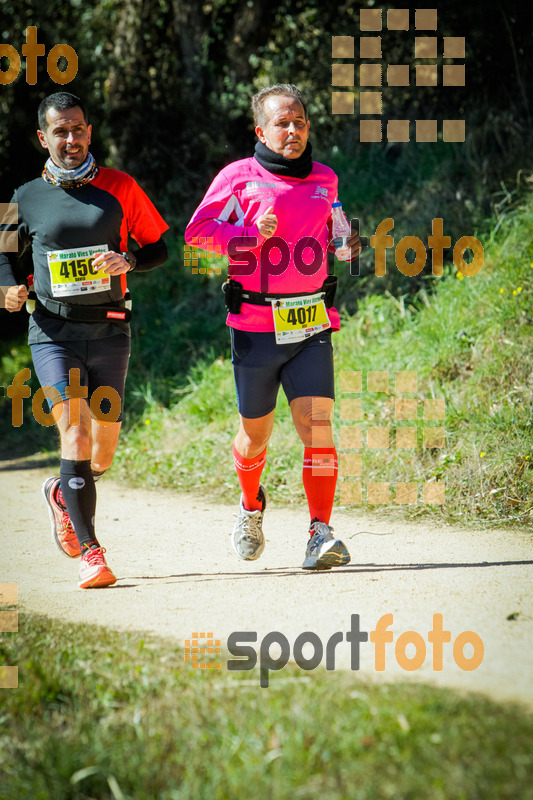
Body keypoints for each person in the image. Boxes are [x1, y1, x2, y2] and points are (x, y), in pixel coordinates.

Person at [185, 83, 360, 570]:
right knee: (254, 437)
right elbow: (196, 232)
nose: (292, 131)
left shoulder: (326, 178)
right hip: (256, 326)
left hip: (310, 321)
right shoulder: (238, 176)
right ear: (261, 130)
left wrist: (346, 243)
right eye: (282, 123)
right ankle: (249, 506)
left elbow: (334, 226)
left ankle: (320, 532)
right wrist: (245, 233)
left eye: (299, 122)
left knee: (317, 426)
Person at [0, 92, 168, 589]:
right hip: (53, 331)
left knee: (101, 454)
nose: (69, 139)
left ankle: (61, 492)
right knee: (73, 433)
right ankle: (92, 554)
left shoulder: (120, 187)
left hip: (111, 328)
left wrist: (130, 261)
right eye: (59, 131)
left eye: (77, 129)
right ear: (42, 137)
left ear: (89, 132)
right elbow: (4, 256)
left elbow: (159, 246)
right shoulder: (23, 195)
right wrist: (8, 288)